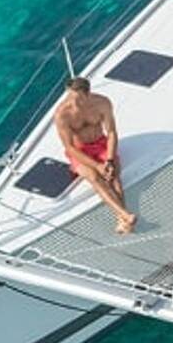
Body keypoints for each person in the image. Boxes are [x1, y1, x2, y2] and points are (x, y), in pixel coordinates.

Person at [54, 76, 136, 234]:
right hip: (79, 151)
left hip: (101, 144)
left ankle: (123, 218)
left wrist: (109, 160)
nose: (73, 103)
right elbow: (69, 147)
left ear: (88, 94)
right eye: (70, 97)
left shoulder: (102, 103)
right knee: (94, 176)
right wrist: (97, 166)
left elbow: (111, 132)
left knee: (113, 174)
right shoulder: (62, 114)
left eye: (78, 99)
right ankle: (125, 215)